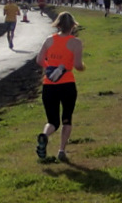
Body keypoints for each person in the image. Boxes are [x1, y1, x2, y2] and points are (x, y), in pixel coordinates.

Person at [35, 12, 86, 162]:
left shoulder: (49, 40)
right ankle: (61, 150)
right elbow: (77, 65)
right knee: (66, 118)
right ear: (72, 26)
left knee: (52, 121)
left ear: (57, 25)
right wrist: (82, 67)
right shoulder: (76, 42)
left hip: (49, 85)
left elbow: (39, 60)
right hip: (67, 84)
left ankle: (45, 135)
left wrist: (49, 68)